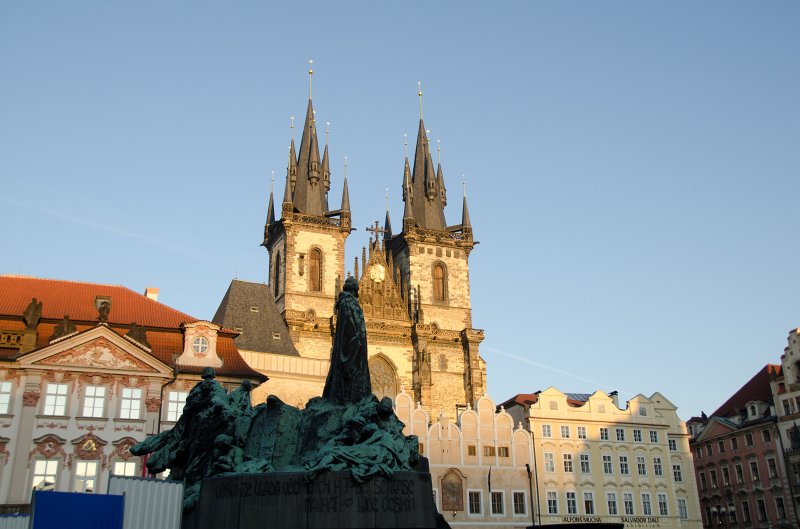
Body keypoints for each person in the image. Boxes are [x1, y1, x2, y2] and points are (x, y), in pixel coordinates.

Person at [323, 276, 371, 404]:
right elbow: (352, 327)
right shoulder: (348, 302)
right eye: (357, 291)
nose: (358, 294)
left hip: (352, 346)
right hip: (352, 348)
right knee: (349, 378)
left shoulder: (347, 302)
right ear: (354, 290)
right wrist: (355, 344)